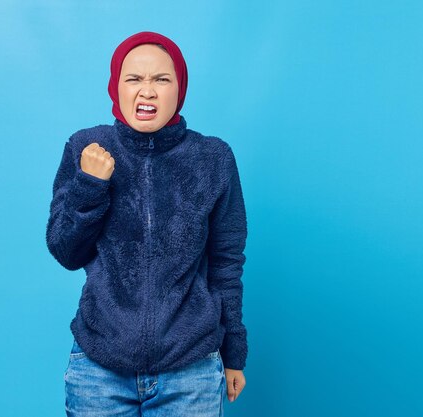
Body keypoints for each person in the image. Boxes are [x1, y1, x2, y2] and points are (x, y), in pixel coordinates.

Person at [46, 31, 248, 416]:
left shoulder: (214, 158)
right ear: (116, 87)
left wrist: (233, 350)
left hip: (191, 370)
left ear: (179, 88)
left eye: (161, 79)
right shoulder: (85, 148)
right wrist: (90, 186)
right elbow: (65, 250)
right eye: (134, 79)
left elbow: (226, 261)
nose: (147, 91)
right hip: (98, 369)